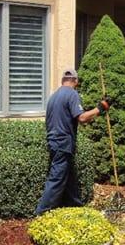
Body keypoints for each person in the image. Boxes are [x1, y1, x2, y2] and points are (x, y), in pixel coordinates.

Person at [36, 69, 111, 215]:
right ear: (75, 81)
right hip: (63, 143)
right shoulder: (72, 94)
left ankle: (76, 207)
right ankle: (41, 213)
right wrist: (100, 108)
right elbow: (82, 118)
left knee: (69, 176)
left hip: (53, 141)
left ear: (63, 80)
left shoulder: (53, 97)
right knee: (56, 178)